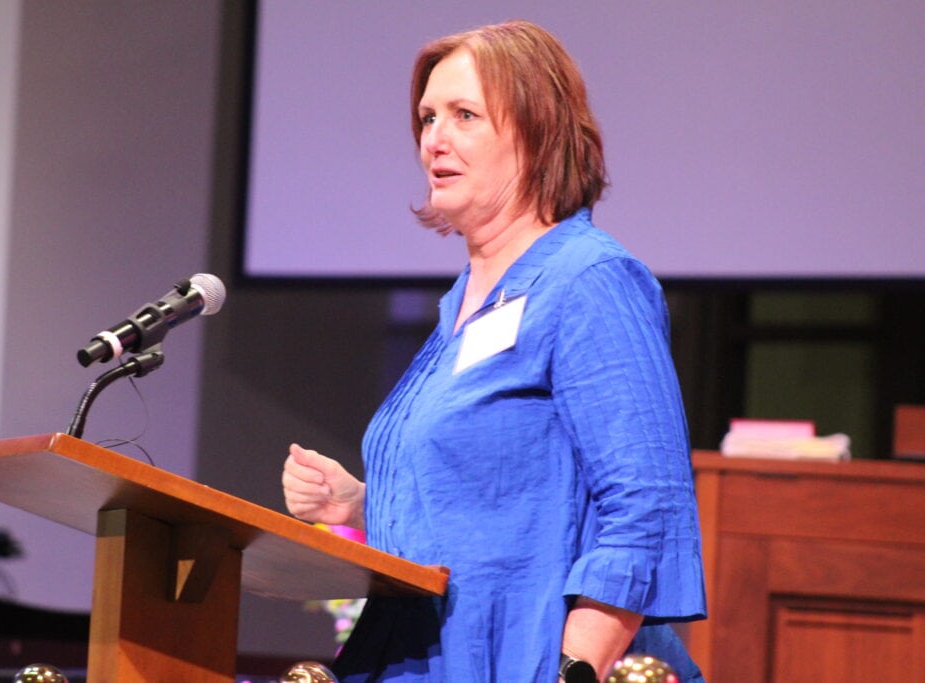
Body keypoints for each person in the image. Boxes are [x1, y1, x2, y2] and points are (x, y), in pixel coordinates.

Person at [282, 20, 706, 683]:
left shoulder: (587, 279)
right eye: (427, 118)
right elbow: (503, 498)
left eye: (464, 115)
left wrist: (575, 669)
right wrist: (361, 501)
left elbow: (645, 505)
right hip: (419, 653)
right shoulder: (464, 303)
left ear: (536, 133)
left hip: (523, 657)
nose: (434, 140)